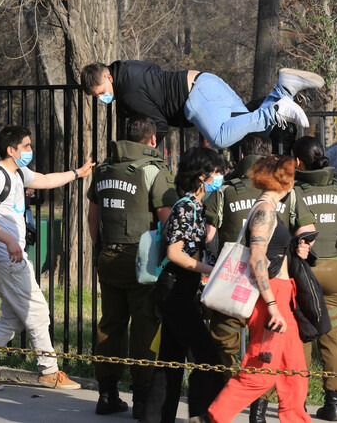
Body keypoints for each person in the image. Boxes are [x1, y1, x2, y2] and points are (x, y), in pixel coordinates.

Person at [0, 125, 96, 391]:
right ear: (11, 150)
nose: (31, 150)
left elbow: (45, 180)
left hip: (8, 260)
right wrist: (9, 240)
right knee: (38, 312)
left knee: (12, 320)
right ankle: (49, 371)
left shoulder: (17, 173)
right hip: (5, 260)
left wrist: (77, 173)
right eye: (26, 146)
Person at [204, 133, 315, 423]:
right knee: (261, 369)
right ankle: (214, 417)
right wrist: (273, 305)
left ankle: (296, 418)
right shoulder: (264, 210)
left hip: (282, 293)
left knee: (294, 368)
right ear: (285, 182)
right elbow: (256, 258)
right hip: (271, 298)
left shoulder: (269, 208)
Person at [86, 116, 178, 418]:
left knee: (110, 325)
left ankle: (107, 395)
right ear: (152, 139)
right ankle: (141, 400)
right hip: (143, 262)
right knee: (144, 325)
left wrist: (99, 248)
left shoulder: (104, 169)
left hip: (108, 255)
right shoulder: (153, 170)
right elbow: (166, 217)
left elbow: (93, 216)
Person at [140, 146, 225, 423]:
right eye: (216, 172)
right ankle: (202, 416)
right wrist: (210, 270)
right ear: (202, 176)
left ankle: (155, 418)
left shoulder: (196, 206)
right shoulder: (186, 206)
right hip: (174, 289)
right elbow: (175, 253)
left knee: (170, 361)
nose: (220, 177)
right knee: (205, 356)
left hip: (181, 288)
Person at [80, 60, 324, 148]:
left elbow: (159, 124)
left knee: (219, 138)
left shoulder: (127, 90)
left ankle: (275, 110)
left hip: (195, 96)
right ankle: (283, 89)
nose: (102, 98)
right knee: (253, 137)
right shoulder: (126, 69)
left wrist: (144, 152)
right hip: (208, 84)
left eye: (101, 92)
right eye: (96, 96)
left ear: (108, 77)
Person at [290, 135, 337, 421]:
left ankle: (298, 403)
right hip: (335, 271)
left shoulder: (294, 191)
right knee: (332, 338)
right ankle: (333, 405)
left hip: (304, 271)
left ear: (298, 161)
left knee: (302, 336)